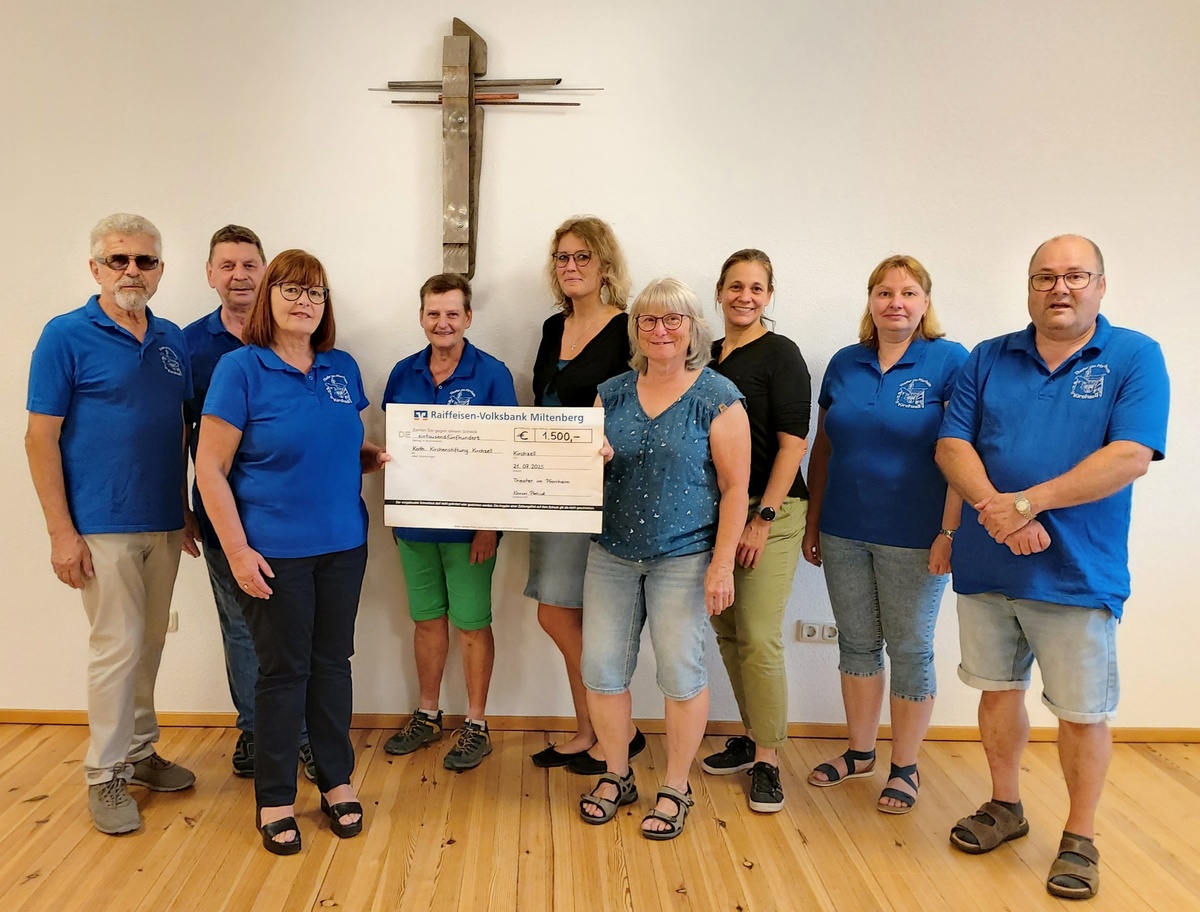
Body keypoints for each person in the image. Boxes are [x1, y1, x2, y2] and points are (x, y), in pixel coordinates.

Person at [936, 235, 1169, 900]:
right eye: (1044, 277)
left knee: (1081, 712)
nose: (1059, 288)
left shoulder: (1134, 356)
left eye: (1075, 276)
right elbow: (952, 445)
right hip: (988, 565)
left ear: (1101, 285)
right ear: (1029, 286)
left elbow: (1129, 455)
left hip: (1077, 572)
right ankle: (1004, 805)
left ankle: (1080, 836)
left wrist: (1027, 504)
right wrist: (1001, 515)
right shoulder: (988, 356)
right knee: (996, 691)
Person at [195, 249, 388, 855]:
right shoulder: (240, 368)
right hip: (273, 552)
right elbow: (209, 468)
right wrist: (236, 551)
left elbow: (340, 443)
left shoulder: (341, 367)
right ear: (269, 297)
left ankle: (336, 780)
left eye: (315, 292)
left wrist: (376, 457)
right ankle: (276, 798)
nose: (305, 301)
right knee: (283, 673)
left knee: (333, 665)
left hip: (344, 546)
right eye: (292, 289)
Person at [25, 213, 198, 835]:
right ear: (95, 267)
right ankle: (105, 774)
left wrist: (183, 507)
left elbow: (178, 429)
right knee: (116, 647)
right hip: (101, 523)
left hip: (163, 521)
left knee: (148, 643)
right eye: (118, 259)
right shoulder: (65, 335)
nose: (132, 271)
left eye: (144, 261)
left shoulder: (172, 339)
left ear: (160, 270)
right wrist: (60, 533)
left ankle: (141, 751)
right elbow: (39, 438)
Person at [578, 278, 750, 840]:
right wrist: (593, 461)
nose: (660, 330)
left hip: (685, 555)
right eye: (648, 320)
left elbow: (735, 489)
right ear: (636, 330)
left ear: (693, 328)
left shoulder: (718, 396)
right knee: (601, 671)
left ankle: (676, 786)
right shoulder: (611, 394)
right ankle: (617, 773)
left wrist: (722, 565)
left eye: (673, 319)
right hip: (611, 552)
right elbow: (582, 475)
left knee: (680, 674)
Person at [801, 255, 967, 815]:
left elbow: (962, 454)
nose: (896, 302)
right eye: (884, 292)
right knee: (856, 645)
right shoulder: (845, 363)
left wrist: (949, 531)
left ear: (926, 302)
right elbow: (823, 448)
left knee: (911, 649)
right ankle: (860, 752)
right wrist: (814, 520)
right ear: (870, 300)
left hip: (916, 535)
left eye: (909, 292)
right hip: (844, 529)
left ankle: (906, 765)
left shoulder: (950, 361)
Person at [183, 225, 315, 781]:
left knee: (298, 631)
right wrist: (182, 505)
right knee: (241, 628)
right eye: (227, 265)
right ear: (210, 274)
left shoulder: (297, 338)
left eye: (249, 264)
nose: (239, 275)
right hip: (222, 518)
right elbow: (179, 430)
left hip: (291, 520)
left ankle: (302, 736)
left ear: (267, 273)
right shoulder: (188, 345)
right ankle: (256, 731)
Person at [381, 273, 518, 771]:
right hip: (414, 526)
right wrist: (397, 511)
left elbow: (505, 454)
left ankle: (476, 723)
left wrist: (489, 525)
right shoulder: (403, 373)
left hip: (469, 531)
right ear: (422, 317)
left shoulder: (492, 374)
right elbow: (397, 446)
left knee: (472, 624)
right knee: (426, 621)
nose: (443, 322)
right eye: (434, 313)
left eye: (452, 313)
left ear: (468, 318)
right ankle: (428, 714)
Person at [525, 216, 646, 776]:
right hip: (547, 484)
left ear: (605, 265)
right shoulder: (554, 326)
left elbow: (640, 404)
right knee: (560, 612)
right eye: (562, 257)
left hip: (601, 489)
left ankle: (618, 730)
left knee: (573, 614)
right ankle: (591, 729)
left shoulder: (628, 330)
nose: (570, 266)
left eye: (582, 257)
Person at [701, 249, 811, 814]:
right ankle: (751, 734)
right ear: (720, 291)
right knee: (728, 631)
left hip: (773, 510)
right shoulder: (706, 354)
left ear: (769, 296)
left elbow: (794, 444)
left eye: (757, 288)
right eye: (736, 286)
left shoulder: (781, 354)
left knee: (760, 635)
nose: (745, 297)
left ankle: (767, 759)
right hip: (718, 511)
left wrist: (762, 519)